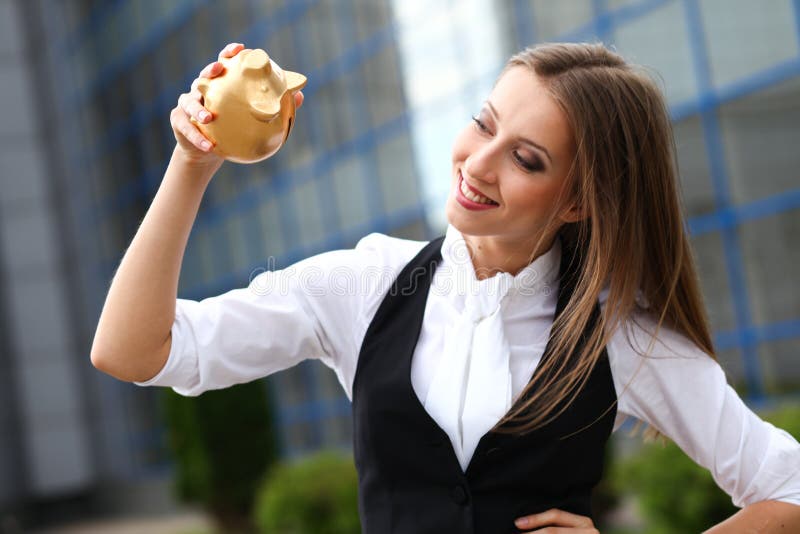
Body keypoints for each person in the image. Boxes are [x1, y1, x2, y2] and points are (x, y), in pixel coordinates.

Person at [91, 42, 800, 533]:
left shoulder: (620, 339)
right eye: (482, 125)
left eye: (526, 158)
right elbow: (134, 351)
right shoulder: (364, 285)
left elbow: (790, 488)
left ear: (580, 201)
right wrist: (191, 164)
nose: (479, 164)